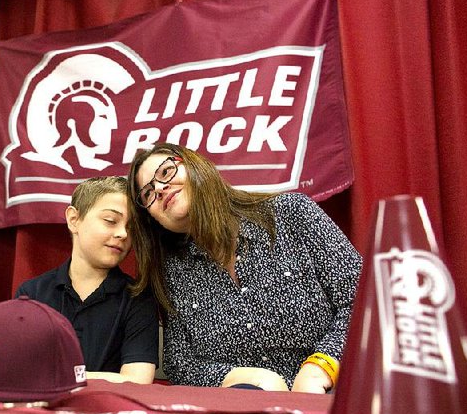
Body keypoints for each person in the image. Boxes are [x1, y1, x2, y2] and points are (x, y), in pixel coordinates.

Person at [127, 143, 362, 393]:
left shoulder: (291, 214)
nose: (161, 189)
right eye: (148, 194)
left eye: (165, 172)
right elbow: (180, 364)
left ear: (195, 165)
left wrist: (320, 367)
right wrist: (242, 377)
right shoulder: (170, 271)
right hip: (245, 413)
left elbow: (365, 302)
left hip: (338, 395)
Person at [16, 176, 159, 384]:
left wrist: (58, 375)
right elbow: (17, 370)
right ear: (74, 219)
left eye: (131, 228)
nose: (122, 234)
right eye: (110, 221)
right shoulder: (32, 293)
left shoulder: (138, 297)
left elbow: (138, 379)